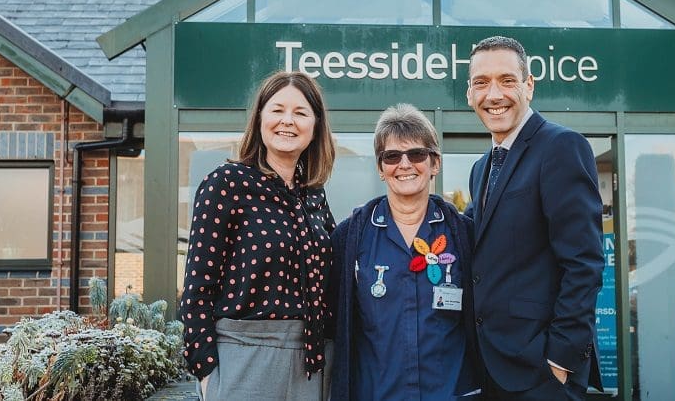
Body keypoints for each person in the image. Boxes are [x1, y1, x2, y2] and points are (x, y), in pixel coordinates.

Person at [463, 36, 604, 400]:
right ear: (469, 94)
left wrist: (560, 359)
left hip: (541, 372)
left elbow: (584, 263)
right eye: (481, 82)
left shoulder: (560, 147)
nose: (493, 94)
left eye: (507, 80)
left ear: (529, 85)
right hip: (492, 366)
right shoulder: (482, 168)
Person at [180, 71, 336, 400]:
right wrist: (207, 375)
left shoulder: (314, 196)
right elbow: (197, 290)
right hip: (244, 359)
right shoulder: (227, 184)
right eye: (277, 110)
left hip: (311, 362)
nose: (287, 121)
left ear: (316, 125)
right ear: (260, 117)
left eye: (300, 112)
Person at [330, 104, 479, 400]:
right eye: (392, 156)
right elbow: (335, 325)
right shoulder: (350, 238)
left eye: (417, 154)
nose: (405, 164)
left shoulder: (465, 235)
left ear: (435, 163)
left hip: (450, 393)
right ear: (380, 168)